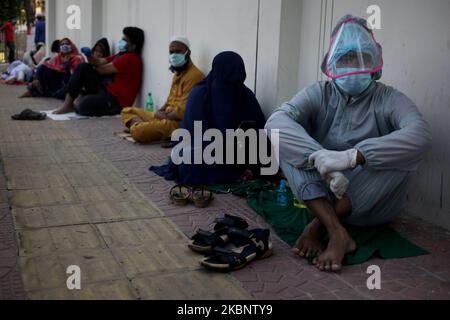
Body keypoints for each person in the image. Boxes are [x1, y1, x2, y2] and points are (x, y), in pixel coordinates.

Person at [265, 15, 432, 272]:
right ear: (332, 61)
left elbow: (420, 135)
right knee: (285, 145)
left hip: (370, 204)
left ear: (374, 62)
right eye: (345, 58)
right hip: (325, 186)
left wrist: (355, 157)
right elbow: (276, 122)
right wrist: (321, 158)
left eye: (361, 58)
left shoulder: (388, 98)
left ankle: (319, 225)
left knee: (402, 160)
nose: (353, 66)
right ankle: (338, 233)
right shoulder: (319, 93)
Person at [151, 51, 267, 185]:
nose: (231, 88)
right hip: (205, 150)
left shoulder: (245, 95)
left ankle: (236, 171)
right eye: (226, 82)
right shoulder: (199, 94)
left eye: (236, 82)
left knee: (267, 153)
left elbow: (260, 130)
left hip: (235, 151)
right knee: (189, 161)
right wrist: (221, 144)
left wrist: (242, 142)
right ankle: (239, 172)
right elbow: (192, 136)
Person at [121, 36, 204, 143]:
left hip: (177, 123)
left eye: (178, 51)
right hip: (165, 116)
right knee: (127, 111)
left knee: (138, 132)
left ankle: (137, 127)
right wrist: (159, 111)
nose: (174, 55)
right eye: (171, 52)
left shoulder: (194, 76)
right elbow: (169, 100)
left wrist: (161, 115)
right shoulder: (178, 73)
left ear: (188, 53)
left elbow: (185, 110)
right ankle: (139, 126)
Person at [52, 27, 144, 116]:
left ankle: (78, 101)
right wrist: (89, 56)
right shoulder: (121, 55)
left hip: (116, 102)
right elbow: (99, 61)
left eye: (125, 40)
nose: (122, 42)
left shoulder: (131, 58)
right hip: (106, 90)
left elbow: (101, 70)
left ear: (133, 46)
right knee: (82, 67)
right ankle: (67, 105)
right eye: (122, 39)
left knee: (83, 105)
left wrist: (92, 65)